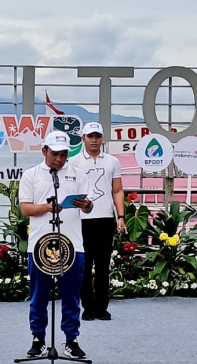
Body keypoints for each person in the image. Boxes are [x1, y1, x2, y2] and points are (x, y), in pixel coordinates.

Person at [19, 130, 93, 359]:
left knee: (71, 295)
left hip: (72, 244)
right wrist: (47, 208)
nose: (59, 159)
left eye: (64, 154)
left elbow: (89, 207)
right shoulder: (31, 175)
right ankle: (38, 339)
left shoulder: (78, 174)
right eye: (55, 154)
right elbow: (25, 208)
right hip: (40, 244)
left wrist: (86, 205)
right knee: (39, 294)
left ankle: (71, 340)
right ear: (44, 151)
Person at [69, 121, 126, 321]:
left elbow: (117, 190)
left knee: (103, 265)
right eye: (90, 136)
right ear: (83, 138)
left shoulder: (112, 161)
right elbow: (71, 191)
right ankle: (87, 307)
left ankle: (102, 307)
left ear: (102, 139)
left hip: (105, 219)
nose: (94, 140)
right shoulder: (73, 162)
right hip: (81, 220)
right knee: (84, 266)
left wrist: (121, 216)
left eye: (98, 136)